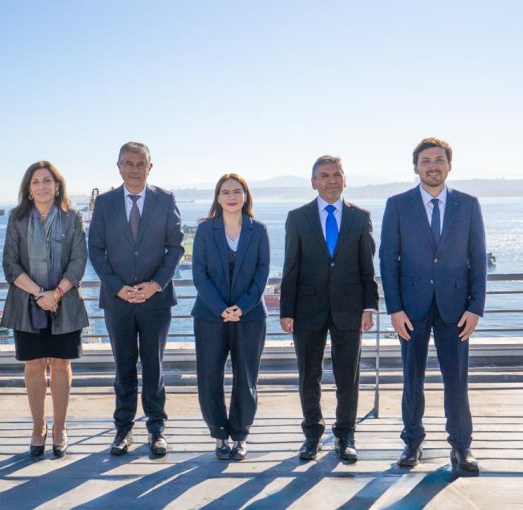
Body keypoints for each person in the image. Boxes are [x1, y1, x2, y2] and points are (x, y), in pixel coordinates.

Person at [380, 137, 486, 476]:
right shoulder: (397, 205)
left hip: (456, 309)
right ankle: (412, 442)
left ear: (449, 165)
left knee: (457, 380)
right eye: (426, 160)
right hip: (410, 309)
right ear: (416, 167)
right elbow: (387, 260)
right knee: (412, 379)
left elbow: (478, 259)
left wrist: (476, 307)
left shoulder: (468, 205)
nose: (432, 166)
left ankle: (461, 446)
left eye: (439, 159)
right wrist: (394, 308)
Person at [279, 156, 379, 463]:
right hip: (307, 309)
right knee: (309, 376)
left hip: (350, 309)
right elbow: (291, 266)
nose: (331, 180)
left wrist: (370, 306)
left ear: (345, 179)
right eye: (324, 175)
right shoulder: (297, 218)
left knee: (347, 376)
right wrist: (287, 310)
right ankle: (312, 435)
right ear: (313, 182)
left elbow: (367, 267)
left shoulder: (360, 217)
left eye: (337, 174)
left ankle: (345, 434)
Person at [88, 141, 184, 457]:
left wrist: (156, 284)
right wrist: (117, 287)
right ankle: (123, 431)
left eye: (139, 163)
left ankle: (157, 430)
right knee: (124, 369)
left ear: (150, 167)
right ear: (118, 166)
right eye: (128, 163)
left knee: (154, 369)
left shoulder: (165, 200)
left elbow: (176, 248)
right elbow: (96, 251)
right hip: (117, 302)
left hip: (155, 301)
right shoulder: (104, 203)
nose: (133, 169)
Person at [0, 161, 89, 458]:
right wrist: (40, 294)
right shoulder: (17, 218)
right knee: (34, 365)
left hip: (65, 302)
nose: (42, 186)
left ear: (57, 185)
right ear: (28, 188)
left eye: (47, 180)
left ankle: (60, 428)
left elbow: (78, 262)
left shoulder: (73, 217)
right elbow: (10, 264)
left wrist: (56, 293)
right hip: (28, 303)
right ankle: (38, 428)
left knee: (62, 365)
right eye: (36, 181)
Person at [191, 173, 269, 461]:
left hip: (249, 318)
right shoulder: (204, 230)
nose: (232, 196)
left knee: (245, 378)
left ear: (246, 196)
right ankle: (219, 435)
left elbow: (262, 274)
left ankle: (240, 436)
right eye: (226, 192)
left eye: (237, 191)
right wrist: (220, 307)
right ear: (218, 197)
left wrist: (242, 308)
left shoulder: (258, 230)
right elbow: (199, 274)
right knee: (209, 377)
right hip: (210, 316)